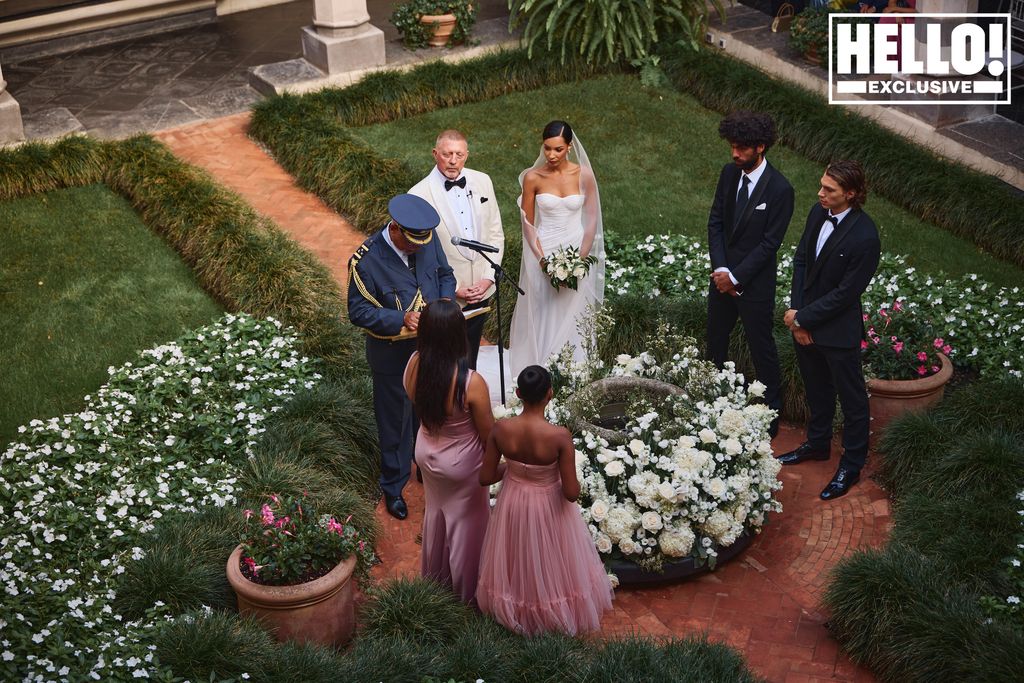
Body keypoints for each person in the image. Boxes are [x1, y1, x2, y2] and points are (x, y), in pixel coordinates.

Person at [476, 365, 613, 636]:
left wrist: (514, 469)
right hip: (548, 505)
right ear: (550, 394)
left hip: (513, 501)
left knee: (517, 554)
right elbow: (571, 493)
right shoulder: (559, 436)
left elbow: (485, 477)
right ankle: (549, 616)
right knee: (547, 558)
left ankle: (516, 610)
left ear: (518, 393)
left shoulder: (501, 429)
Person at [347, 194, 456, 520]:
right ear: (394, 228)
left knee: (430, 412)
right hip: (392, 356)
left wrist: (445, 305)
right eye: (411, 245)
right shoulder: (365, 260)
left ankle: (425, 466)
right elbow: (358, 311)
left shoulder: (427, 238)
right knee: (395, 422)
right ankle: (393, 486)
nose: (417, 250)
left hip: (430, 349)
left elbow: (445, 275)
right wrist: (401, 319)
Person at [778, 160, 881, 501]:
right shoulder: (817, 212)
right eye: (821, 186)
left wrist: (803, 318)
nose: (820, 193)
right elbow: (802, 262)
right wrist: (798, 316)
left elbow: (846, 294)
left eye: (829, 190)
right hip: (805, 325)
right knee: (816, 390)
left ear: (850, 194)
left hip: (837, 333)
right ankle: (817, 445)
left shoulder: (866, 237)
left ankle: (850, 465)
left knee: (852, 402)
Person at [706, 111, 794, 439]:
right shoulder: (729, 174)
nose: (734, 154)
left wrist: (737, 277)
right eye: (732, 146)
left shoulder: (781, 189)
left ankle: (770, 415)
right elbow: (716, 222)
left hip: (754, 286)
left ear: (760, 147)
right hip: (721, 279)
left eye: (742, 148)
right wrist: (722, 270)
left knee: (762, 349)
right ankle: (710, 403)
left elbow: (770, 243)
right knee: (715, 341)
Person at [403, 298, 494, 603]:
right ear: (459, 334)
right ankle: (466, 596)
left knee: (436, 517)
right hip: (461, 466)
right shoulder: (470, 382)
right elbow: (488, 435)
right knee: (467, 529)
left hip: (426, 453)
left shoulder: (414, 364)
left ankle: (436, 584)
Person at [508, 120, 605, 379]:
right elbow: (528, 223)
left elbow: (592, 220)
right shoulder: (533, 177)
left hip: (576, 251)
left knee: (572, 315)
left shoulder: (584, 175)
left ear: (569, 147)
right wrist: (543, 262)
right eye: (547, 148)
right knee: (544, 311)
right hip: (544, 250)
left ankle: (574, 376)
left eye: (558, 149)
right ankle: (539, 376)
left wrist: (579, 263)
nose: (551, 155)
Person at [409, 129, 505, 370]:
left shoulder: (483, 181)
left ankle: (468, 403)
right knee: (444, 361)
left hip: (481, 291)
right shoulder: (418, 194)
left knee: (471, 359)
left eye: (459, 154)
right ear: (435, 154)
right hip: (446, 299)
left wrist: (487, 279)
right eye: (447, 154)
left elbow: (495, 233)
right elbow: (420, 255)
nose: (453, 161)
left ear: (467, 155)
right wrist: (454, 289)